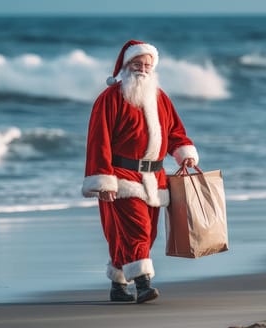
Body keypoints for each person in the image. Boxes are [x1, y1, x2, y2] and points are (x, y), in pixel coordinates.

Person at [82, 39, 199, 303]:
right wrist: (103, 182)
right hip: (122, 177)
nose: (142, 69)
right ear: (125, 66)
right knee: (138, 231)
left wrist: (184, 153)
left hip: (155, 179)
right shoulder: (109, 99)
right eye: (137, 63)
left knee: (141, 233)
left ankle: (118, 285)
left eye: (147, 65)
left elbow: (175, 133)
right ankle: (144, 284)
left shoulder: (160, 97)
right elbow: (97, 141)